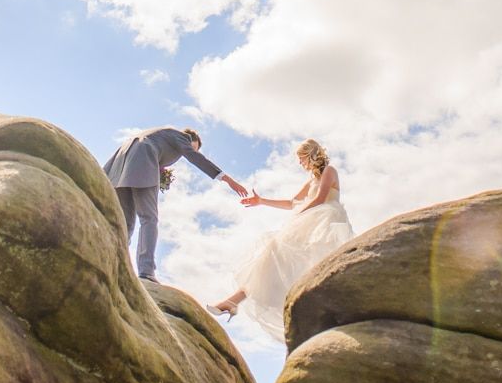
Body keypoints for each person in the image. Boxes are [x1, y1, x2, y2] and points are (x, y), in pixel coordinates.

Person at [206, 139, 354, 340]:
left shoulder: (330, 171)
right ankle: (234, 301)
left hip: (325, 223)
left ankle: (235, 302)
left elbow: (320, 199)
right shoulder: (310, 180)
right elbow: (292, 202)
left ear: (310, 155)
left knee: (286, 256)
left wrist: (298, 216)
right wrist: (261, 201)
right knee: (271, 255)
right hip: (310, 221)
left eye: (301, 159)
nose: (301, 164)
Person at [104, 126, 249, 283]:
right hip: (143, 162)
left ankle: (112, 260)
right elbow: (194, 157)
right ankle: (146, 271)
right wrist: (226, 179)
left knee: (126, 223)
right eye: (194, 148)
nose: (186, 152)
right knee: (149, 218)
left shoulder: (159, 135)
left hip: (121, 168)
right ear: (191, 140)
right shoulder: (182, 137)